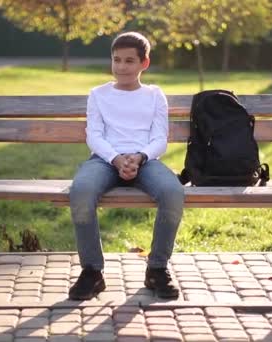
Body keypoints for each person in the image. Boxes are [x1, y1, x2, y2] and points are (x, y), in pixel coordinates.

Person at [68, 32, 185, 300]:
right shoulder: (98, 94)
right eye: (116, 60)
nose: (121, 67)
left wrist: (140, 158)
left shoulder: (155, 95)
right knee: (82, 191)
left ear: (144, 63)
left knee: (173, 192)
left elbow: (159, 138)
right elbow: (94, 135)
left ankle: (157, 268)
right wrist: (117, 159)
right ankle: (92, 273)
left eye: (129, 61)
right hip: (105, 160)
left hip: (145, 160)